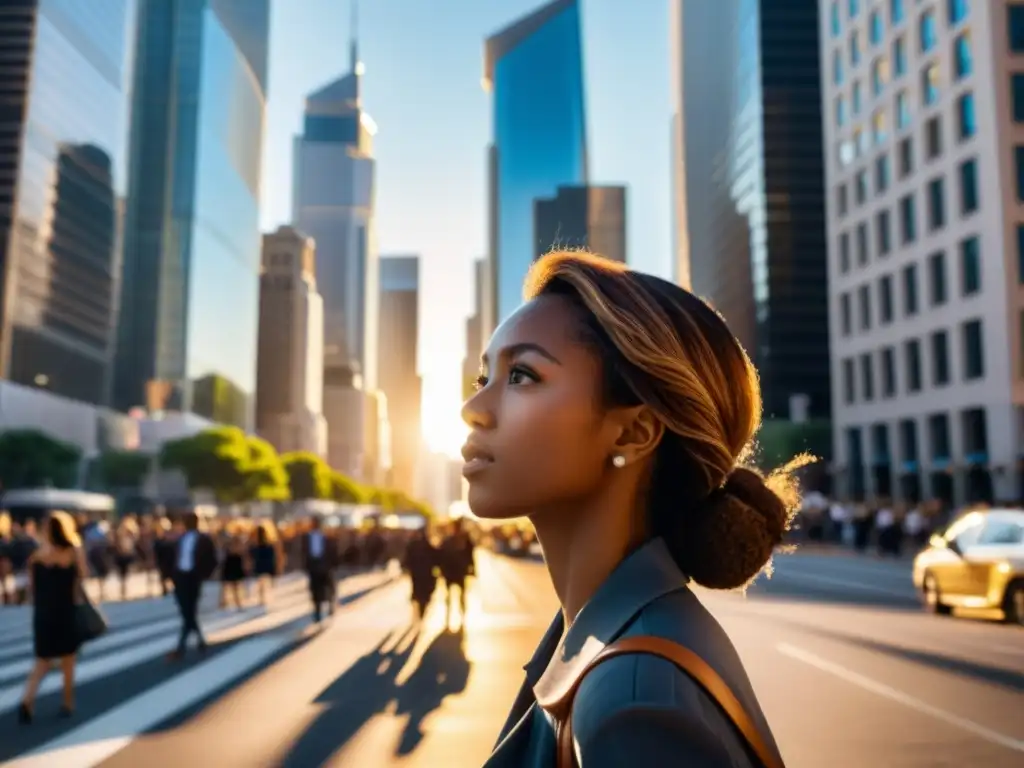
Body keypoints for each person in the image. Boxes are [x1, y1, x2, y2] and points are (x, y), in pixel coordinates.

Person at [465, 251, 795, 767]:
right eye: (482, 380)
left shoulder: (633, 703)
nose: (474, 410)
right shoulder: (601, 641)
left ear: (633, 432)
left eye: (522, 375)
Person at [18, 511, 89, 723]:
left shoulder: (36, 556)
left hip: (43, 613)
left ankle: (27, 699)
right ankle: (67, 703)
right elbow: (83, 576)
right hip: (66, 611)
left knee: (42, 661)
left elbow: (32, 589)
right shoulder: (73, 552)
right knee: (68, 660)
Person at [168, 511, 217, 661]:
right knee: (187, 611)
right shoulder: (181, 539)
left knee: (189, 611)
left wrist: (205, 574)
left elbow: (212, 559)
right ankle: (200, 641)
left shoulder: (203, 539)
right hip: (181, 577)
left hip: (194, 577)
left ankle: (180, 648)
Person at [301, 517, 337, 623]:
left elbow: (332, 551)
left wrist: (333, 564)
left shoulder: (327, 536)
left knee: (328, 587)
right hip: (313, 566)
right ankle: (317, 611)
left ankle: (330, 604)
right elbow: (304, 552)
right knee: (315, 589)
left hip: (325, 566)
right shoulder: (307, 537)